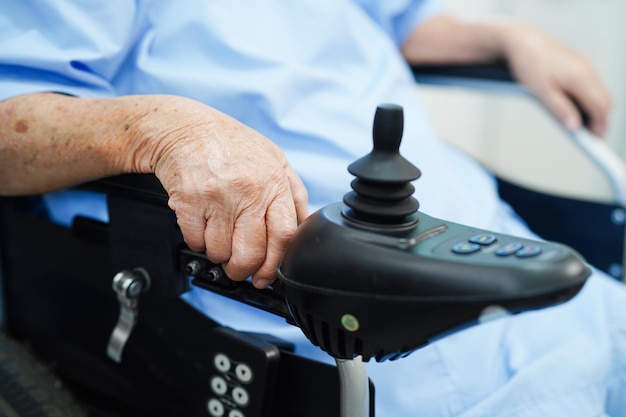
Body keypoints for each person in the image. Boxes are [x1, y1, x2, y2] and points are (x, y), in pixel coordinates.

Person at [0, 1, 623, 416]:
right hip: (340, 325)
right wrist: (161, 130)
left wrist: (510, 37)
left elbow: (400, 18)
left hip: (499, 245)